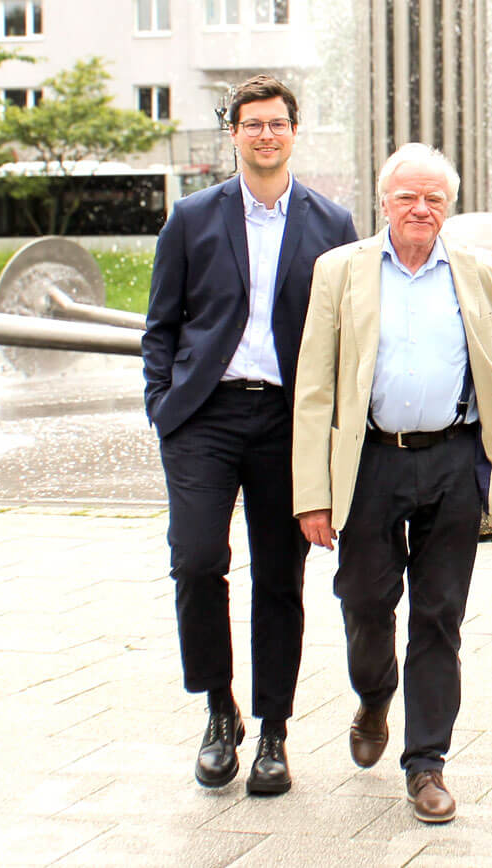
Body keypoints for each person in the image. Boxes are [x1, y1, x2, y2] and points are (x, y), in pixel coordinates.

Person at [292, 143, 492, 823]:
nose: (421, 208)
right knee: (366, 603)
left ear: (449, 206)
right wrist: (311, 493)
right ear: (383, 202)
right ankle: (375, 694)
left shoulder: (479, 270)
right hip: (370, 462)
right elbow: (314, 384)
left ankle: (426, 764)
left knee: (439, 618)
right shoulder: (341, 271)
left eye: (435, 197)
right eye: (408, 196)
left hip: (454, 460)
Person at [142, 75, 358, 795]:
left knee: (280, 577)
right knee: (197, 561)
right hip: (204, 416)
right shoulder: (192, 218)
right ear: (232, 133)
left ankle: (273, 731)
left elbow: (349, 336)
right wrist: (162, 404)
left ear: (296, 131)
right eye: (252, 124)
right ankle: (217, 709)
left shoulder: (333, 225)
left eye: (277, 124)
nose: (265, 135)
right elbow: (161, 326)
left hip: (288, 423)